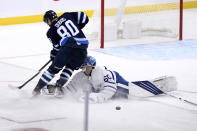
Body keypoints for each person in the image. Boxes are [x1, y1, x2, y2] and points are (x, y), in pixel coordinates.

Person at [43, 56, 177, 103]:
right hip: (113, 96)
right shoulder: (79, 77)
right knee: (136, 92)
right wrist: (54, 90)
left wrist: (96, 97)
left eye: (86, 66)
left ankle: (167, 83)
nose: (84, 69)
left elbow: (110, 89)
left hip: (122, 88)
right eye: (83, 67)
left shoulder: (101, 71)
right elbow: (68, 91)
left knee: (138, 92)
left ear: (92, 65)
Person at [32, 10, 89, 97]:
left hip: (69, 47)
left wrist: (53, 57)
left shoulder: (50, 32)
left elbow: (57, 48)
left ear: (48, 20)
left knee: (52, 70)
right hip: (83, 47)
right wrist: (77, 27)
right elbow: (84, 17)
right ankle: (58, 87)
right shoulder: (66, 15)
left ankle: (37, 90)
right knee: (70, 68)